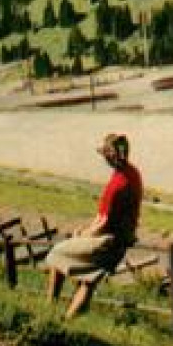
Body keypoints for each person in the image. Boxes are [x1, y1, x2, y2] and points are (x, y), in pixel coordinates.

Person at [41, 132, 142, 318]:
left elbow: (103, 223)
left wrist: (82, 235)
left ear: (110, 156)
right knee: (88, 280)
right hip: (120, 239)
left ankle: (50, 308)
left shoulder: (118, 185)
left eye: (105, 155)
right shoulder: (132, 173)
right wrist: (86, 230)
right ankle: (68, 319)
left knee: (57, 253)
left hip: (108, 240)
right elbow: (103, 216)